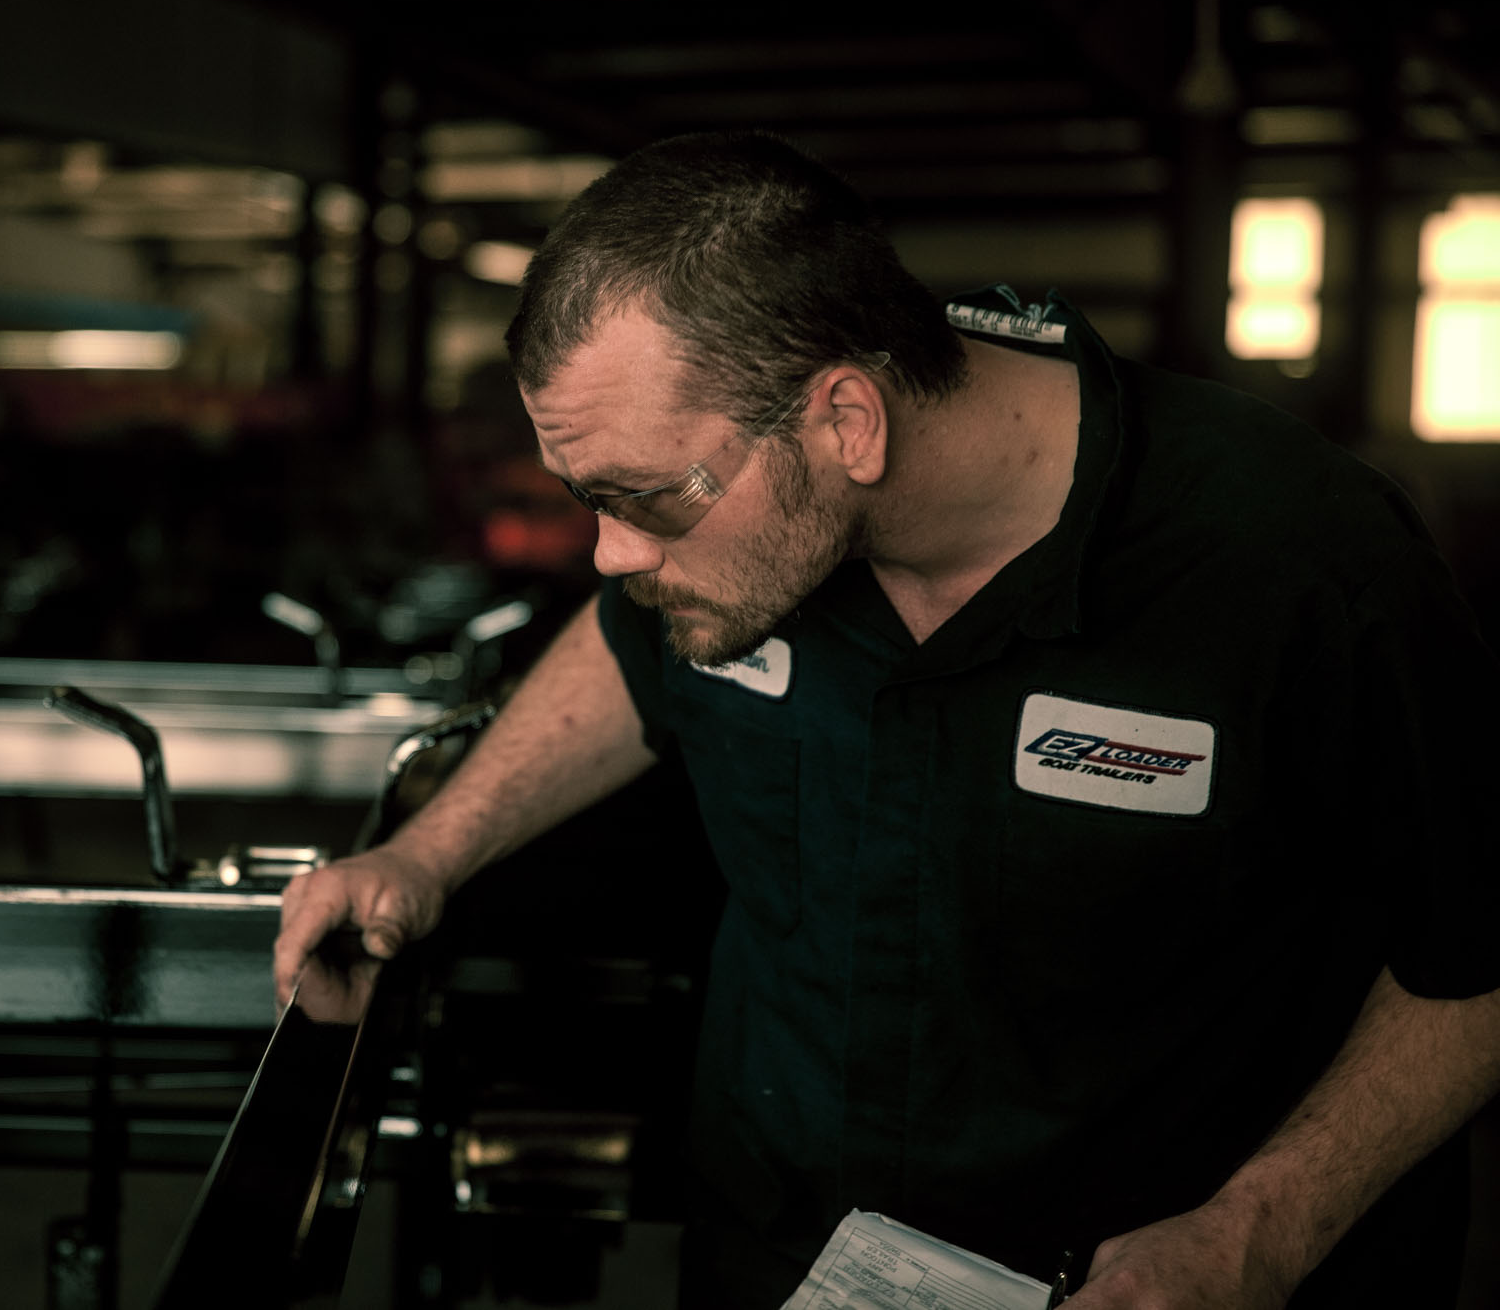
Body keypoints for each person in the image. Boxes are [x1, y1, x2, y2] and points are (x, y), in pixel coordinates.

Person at [273, 131, 1500, 1309]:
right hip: (778, 1253)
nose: (610, 553)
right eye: (588, 498)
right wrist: (427, 854)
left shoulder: (1294, 565)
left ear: (845, 423)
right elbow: (624, 649)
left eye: (644, 498)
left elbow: (1478, 957)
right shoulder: (722, 554)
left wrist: (1255, 1234)